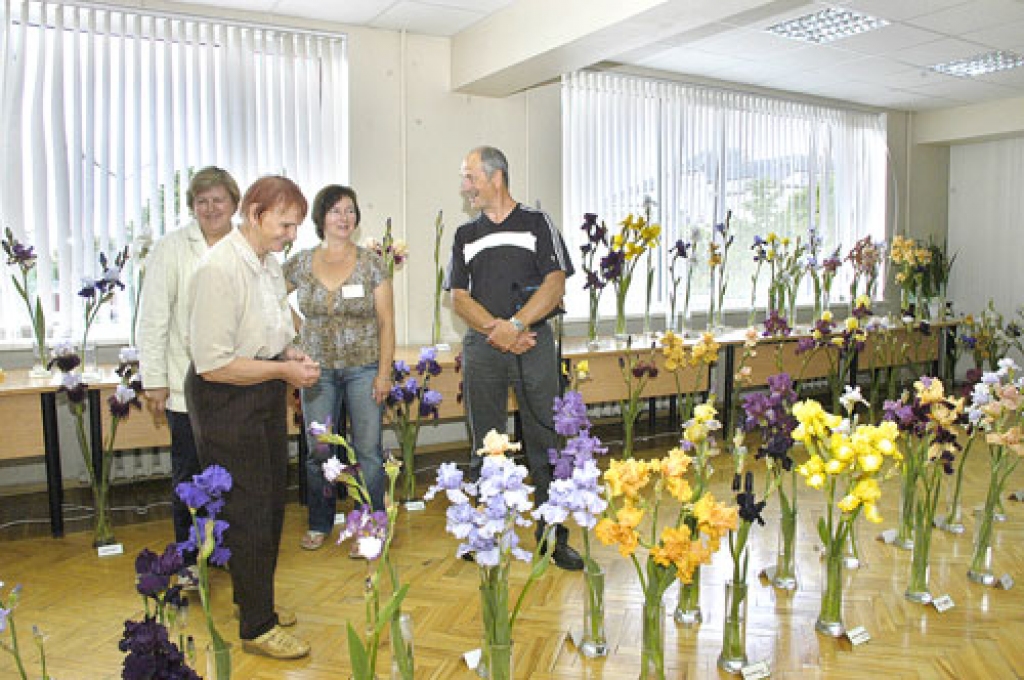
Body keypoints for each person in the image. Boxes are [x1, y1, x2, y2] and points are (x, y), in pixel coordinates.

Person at [185, 175, 320, 660]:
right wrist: (283, 368)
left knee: (270, 502)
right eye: (286, 224)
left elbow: (273, 330)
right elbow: (214, 362)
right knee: (247, 506)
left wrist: (291, 353)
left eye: (296, 226)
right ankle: (257, 628)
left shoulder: (265, 264)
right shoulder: (218, 269)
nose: (292, 235)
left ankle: (255, 599)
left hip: (261, 385)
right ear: (257, 213)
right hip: (226, 397)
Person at [447, 145, 584, 571]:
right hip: (485, 347)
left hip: (534, 344)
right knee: (486, 444)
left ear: (496, 177)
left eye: (470, 177)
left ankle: (553, 537)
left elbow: (556, 283)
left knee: (546, 441)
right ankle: (486, 533)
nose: (465, 186)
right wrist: (499, 332)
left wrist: (519, 327)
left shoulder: (537, 223)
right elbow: (459, 298)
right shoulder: (465, 235)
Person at [138, 166, 240, 588]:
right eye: (203, 201)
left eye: (218, 199)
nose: (211, 208)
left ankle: (222, 552)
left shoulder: (246, 247)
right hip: (186, 390)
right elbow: (153, 318)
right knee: (190, 478)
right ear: (192, 207)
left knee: (233, 476)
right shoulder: (172, 249)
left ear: (234, 203)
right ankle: (187, 559)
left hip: (237, 387)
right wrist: (155, 380)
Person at [283, 185, 394, 552]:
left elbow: (386, 322)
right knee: (319, 451)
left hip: (364, 369)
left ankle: (372, 522)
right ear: (320, 218)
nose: (344, 218)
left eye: (350, 210)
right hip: (314, 371)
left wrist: (384, 373)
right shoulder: (299, 262)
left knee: (367, 450)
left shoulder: (373, 263)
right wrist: (298, 336)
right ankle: (320, 520)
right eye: (335, 211)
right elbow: (268, 300)